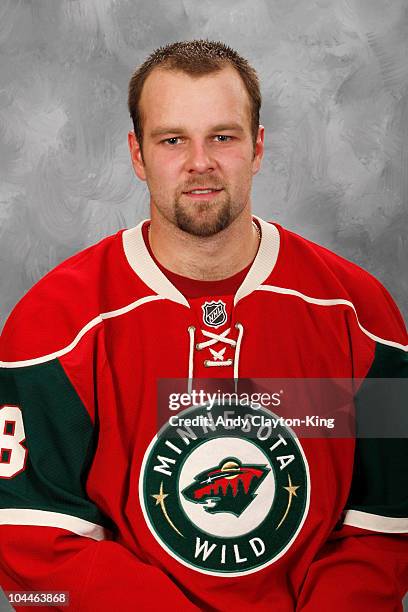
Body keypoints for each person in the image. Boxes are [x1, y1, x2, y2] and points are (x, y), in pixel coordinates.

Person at [0, 39, 407, 611]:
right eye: (172, 140)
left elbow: (385, 526)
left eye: (223, 136)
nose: (200, 162)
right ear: (137, 155)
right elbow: (32, 553)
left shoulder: (362, 318)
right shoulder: (53, 325)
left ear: (258, 147)